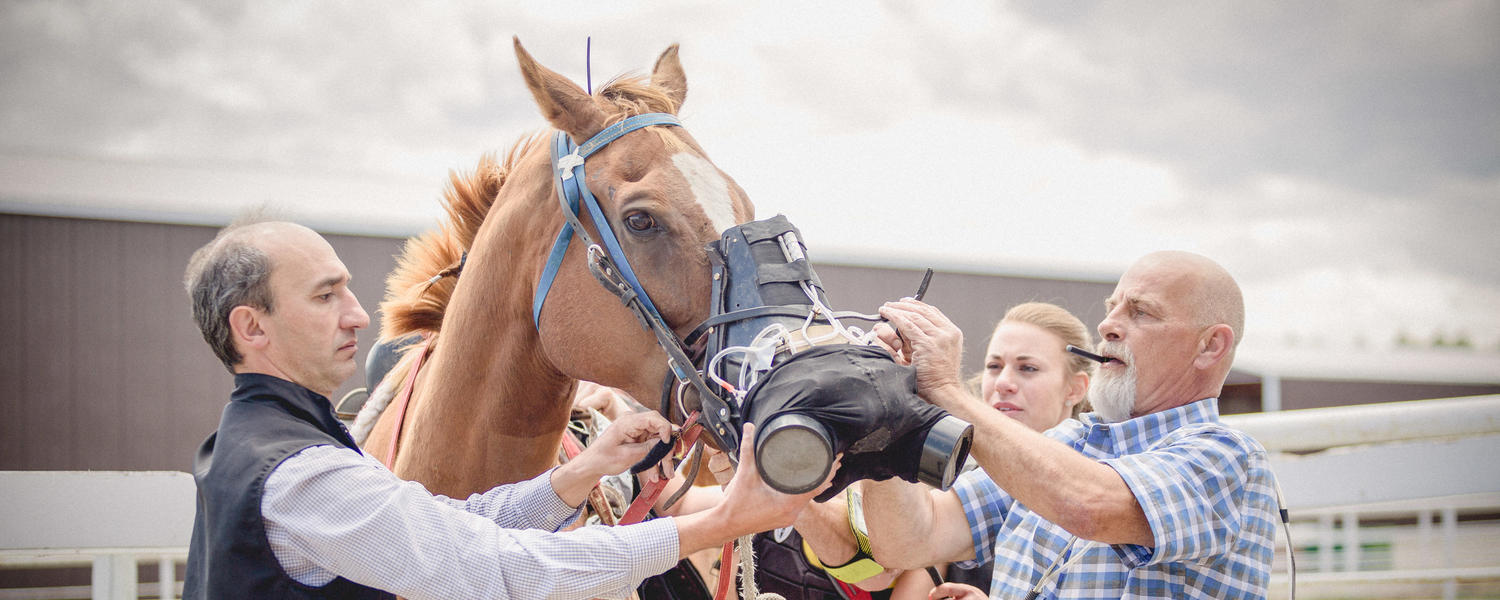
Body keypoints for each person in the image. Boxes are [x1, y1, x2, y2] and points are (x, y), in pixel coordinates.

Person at [181, 219, 826, 600]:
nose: (355, 314)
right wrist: (720, 523)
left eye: (347, 290)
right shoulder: (302, 474)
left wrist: (580, 473)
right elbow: (497, 568)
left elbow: (451, 523)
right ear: (252, 327)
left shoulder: (268, 441)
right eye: (326, 296)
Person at [847, 251, 1278, 599]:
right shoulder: (1068, 441)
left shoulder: (1228, 458)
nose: (1108, 325)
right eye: (1113, 309)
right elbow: (909, 540)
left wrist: (944, 388)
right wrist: (893, 405)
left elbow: (1087, 507)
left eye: (1141, 312)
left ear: (1210, 346)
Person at [792, 302, 1097, 599]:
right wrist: (893, 399)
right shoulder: (952, 473)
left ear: (1076, 388)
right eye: (994, 366)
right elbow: (880, 568)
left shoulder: (1101, 481)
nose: (1004, 382)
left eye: (1027, 368)